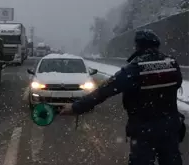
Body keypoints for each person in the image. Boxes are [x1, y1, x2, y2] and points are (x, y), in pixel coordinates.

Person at [60, 29, 185, 165]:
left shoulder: (135, 69)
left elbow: (104, 91)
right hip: (171, 127)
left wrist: (76, 107)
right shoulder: (172, 64)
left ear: (138, 46)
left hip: (144, 130)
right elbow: (175, 86)